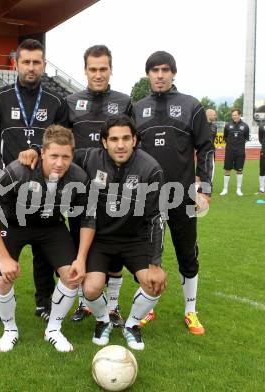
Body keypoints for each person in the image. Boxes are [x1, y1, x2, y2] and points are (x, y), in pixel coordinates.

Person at [19, 114, 166, 350]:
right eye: (114, 139)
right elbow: (59, 152)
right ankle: (103, 320)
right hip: (101, 238)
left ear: (135, 140)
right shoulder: (89, 157)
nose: (120, 145)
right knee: (90, 287)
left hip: (135, 239)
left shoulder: (150, 168)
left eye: (126, 138)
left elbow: (157, 218)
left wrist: (156, 263)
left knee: (155, 282)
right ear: (104, 142)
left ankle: (132, 325)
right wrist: (36, 150)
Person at [0, 125, 95, 352]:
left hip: (50, 226)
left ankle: (53, 329)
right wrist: (3, 257)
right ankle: (9, 330)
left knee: (72, 275)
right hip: (13, 224)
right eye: (54, 156)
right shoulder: (18, 172)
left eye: (65, 157)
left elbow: (88, 218)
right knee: (2, 279)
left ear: (72, 155)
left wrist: (81, 258)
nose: (59, 163)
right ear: (42, 152)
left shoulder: (79, 177)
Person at [0, 39, 68, 327]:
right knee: (0, 250)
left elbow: (65, 142)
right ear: (15, 63)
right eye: (26, 62)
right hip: (9, 188)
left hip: (46, 190)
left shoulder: (55, 101)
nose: (31, 67)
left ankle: (44, 302)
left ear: (44, 65)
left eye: (37, 62)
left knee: (45, 246)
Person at [132, 51, 214, 335]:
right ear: (147, 74)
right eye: (154, 70)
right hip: (148, 196)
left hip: (183, 195)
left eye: (165, 70)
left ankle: (190, 311)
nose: (160, 75)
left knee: (186, 252)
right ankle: (147, 307)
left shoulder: (191, 106)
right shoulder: (137, 107)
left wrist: (205, 186)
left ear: (173, 73)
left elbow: (206, 148)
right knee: (147, 254)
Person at [66, 45, 132, 326]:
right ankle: (85, 303)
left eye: (103, 68)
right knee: (78, 246)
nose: (98, 74)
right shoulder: (70, 101)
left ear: (111, 69)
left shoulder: (125, 101)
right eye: (92, 69)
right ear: (85, 70)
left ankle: (114, 306)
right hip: (78, 190)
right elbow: (62, 142)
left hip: (113, 189)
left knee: (115, 248)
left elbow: (130, 142)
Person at [220, 108, 250, 196]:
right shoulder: (228, 125)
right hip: (229, 152)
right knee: (227, 170)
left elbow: (246, 138)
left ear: (240, 115)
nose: (234, 116)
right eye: (233, 115)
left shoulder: (245, 126)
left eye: (235, 115)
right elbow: (225, 137)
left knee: (239, 170)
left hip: (240, 152)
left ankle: (238, 189)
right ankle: (225, 189)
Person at [258, 121, 265, 194]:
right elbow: (260, 139)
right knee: (262, 169)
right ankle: (262, 188)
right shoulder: (261, 126)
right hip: (264, 150)